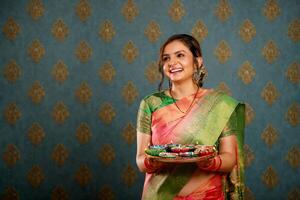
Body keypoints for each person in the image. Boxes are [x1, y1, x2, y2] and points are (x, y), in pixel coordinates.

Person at [136, 34, 245, 200]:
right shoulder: (151, 104)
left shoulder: (220, 105)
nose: (172, 63)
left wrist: (209, 162)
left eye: (180, 55)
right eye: (166, 58)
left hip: (209, 196)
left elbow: (230, 157)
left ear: (197, 62)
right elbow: (140, 160)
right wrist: (156, 160)